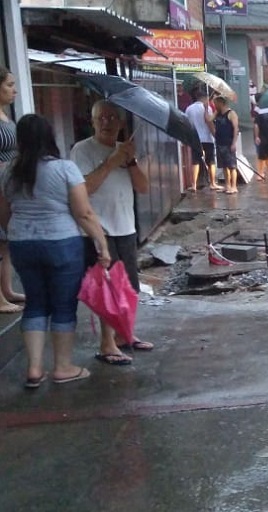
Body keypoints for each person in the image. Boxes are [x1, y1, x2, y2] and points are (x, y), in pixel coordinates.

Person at [0, 114, 111, 388]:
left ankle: (34, 369)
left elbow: (4, 213)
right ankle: (63, 367)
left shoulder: (8, 171)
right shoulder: (65, 169)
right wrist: (102, 242)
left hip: (22, 244)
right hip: (61, 244)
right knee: (63, 305)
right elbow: (83, 212)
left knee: (35, 303)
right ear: (49, 137)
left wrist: (20, 232)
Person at [70, 101, 153, 365]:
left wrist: (130, 162)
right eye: (101, 118)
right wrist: (111, 162)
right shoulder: (81, 150)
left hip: (125, 227)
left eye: (112, 117)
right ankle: (106, 345)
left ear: (120, 123)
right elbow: (85, 189)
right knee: (106, 289)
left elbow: (143, 187)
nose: (106, 122)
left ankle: (123, 335)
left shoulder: (125, 150)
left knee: (128, 286)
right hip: (98, 230)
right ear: (92, 122)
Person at [0, 65, 25, 314]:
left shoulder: (6, 115)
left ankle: (6, 290)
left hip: (7, 183)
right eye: (8, 85)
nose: (14, 90)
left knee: (5, 242)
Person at [184, 89, 221, 192]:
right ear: (204, 98)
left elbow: (187, 123)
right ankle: (213, 183)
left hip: (195, 138)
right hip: (207, 138)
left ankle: (193, 185)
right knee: (210, 161)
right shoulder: (207, 108)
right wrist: (215, 135)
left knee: (195, 161)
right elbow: (209, 123)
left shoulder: (189, 109)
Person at [212, 96, 240, 194]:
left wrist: (234, 143)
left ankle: (234, 186)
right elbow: (209, 119)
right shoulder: (218, 114)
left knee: (232, 166)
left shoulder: (231, 113)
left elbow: (236, 128)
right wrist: (208, 108)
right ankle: (227, 185)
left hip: (228, 143)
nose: (214, 105)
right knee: (224, 166)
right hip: (219, 143)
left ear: (221, 103)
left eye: (215, 103)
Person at [252, 93, 268, 181]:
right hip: (263, 137)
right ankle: (260, 173)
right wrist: (257, 136)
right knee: (262, 157)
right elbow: (256, 125)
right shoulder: (260, 111)